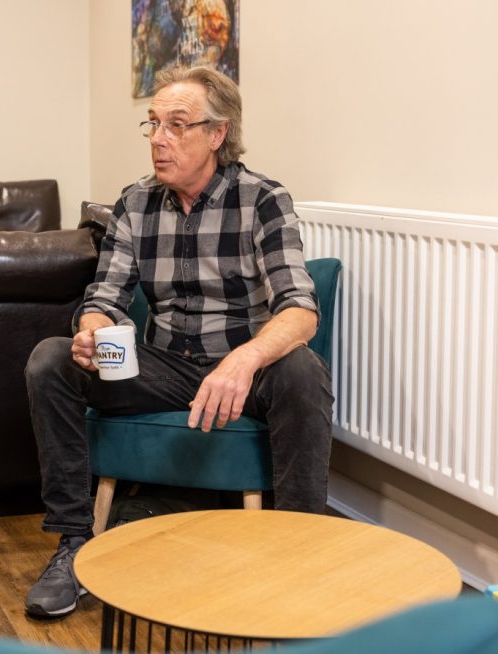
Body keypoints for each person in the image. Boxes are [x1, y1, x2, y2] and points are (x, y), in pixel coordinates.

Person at [23, 65, 333, 619]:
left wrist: (245, 358)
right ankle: (73, 543)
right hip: (161, 366)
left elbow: (300, 310)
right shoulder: (135, 203)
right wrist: (92, 330)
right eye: (154, 124)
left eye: (177, 125)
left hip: (242, 371)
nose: (159, 139)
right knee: (50, 360)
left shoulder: (263, 199)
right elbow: (106, 295)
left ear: (218, 133)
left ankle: (297, 552)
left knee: (302, 369)